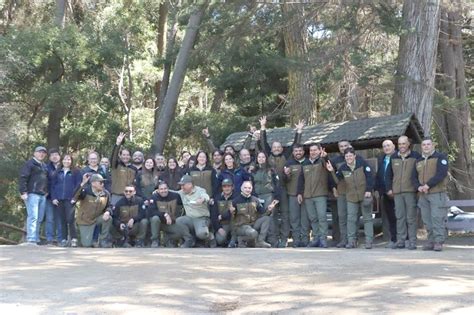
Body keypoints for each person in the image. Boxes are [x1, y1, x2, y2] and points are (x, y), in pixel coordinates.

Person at [259, 116, 304, 248]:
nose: (277, 149)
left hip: (284, 189)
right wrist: (263, 127)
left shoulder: (286, 156)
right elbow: (263, 142)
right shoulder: (268, 156)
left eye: (279, 147)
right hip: (271, 191)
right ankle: (273, 239)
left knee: (285, 215)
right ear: (271, 149)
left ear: (282, 149)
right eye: (274, 147)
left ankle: (284, 238)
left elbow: (295, 145)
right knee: (272, 214)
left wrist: (299, 131)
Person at [327, 148, 375, 249]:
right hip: (351, 196)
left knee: (367, 218)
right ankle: (351, 241)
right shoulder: (343, 168)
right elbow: (337, 181)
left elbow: (370, 177)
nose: (349, 158)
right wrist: (331, 171)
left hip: (364, 194)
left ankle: (369, 241)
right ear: (345, 158)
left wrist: (369, 190)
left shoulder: (362, 164)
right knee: (351, 219)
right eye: (346, 156)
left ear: (354, 156)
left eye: (350, 156)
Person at [412, 138, 449, 252]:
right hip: (423, 194)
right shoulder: (418, 160)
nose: (426, 146)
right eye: (424, 145)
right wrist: (418, 186)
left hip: (437, 193)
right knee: (427, 219)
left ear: (433, 145)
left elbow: (441, 174)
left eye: (428, 144)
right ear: (421, 147)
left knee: (437, 218)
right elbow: (413, 177)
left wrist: (428, 185)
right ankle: (431, 240)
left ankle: (438, 241)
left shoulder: (440, 157)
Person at [386, 136, 421, 250]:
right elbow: (388, 175)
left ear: (408, 144)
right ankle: (401, 240)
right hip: (397, 192)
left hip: (410, 191)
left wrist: (417, 188)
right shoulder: (393, 157)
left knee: (411, 218)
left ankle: (412, 241)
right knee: (400, 217)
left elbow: (419, 174)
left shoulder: (416, 156)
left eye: (404, 144)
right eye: (400, 144)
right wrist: (389, 188)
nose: (401, 146)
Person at [297, 144, 331, 248]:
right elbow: (301, 180)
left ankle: (323, 239)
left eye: (315, 150)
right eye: (311, 150)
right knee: (313, 218)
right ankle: (316, 238)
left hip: (320, 194)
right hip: (308, 196)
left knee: (322, 217)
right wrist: (299, 193)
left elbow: (330, 167)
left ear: (319, 150)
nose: (313, 152)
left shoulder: (322, 161)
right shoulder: (305, 163)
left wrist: (325, 157)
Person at [71, 174, 113, 248]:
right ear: (93, 183)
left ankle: (103, 240)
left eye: (103, 182)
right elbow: (75, 196)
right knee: (86, 245)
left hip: (97, 219)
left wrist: (108, 211)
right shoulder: (85, 191)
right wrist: (83, 183)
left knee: (108, 218)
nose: (102, 184)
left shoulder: (106, 193)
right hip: (85, 221)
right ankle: (77, 238)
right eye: (100, 182)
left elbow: (110, 205)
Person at [19, 146, 49, 245]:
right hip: (32, 194)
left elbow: (46, 180)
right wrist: (23, 192)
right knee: (33, 217)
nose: (41, 154)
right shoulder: (29, 164)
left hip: (42, 195)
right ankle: (31, 239)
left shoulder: (44, 166)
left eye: (43, 153)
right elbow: (23, 178)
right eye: (39, 152)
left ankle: (35, 238)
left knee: (40, 218)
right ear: (34, 153)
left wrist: (46, 191)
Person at [148, 181, 193, 248]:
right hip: (158, 223)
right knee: (155, 218)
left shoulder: (176, 196)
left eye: (165, 188)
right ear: (158, 190)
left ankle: (168, 239)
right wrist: (165, 215)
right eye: (161, 189)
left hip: (171, 222)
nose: (163, 191)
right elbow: (151, 212)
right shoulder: (153, 197)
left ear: (168, 188)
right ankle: (155, 240)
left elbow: (180, 210)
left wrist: (173, 219)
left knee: (182, 229)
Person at [175, 175, 216, 247]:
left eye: (183, 185)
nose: (181, 187)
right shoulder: (182, 192)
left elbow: (205, 196)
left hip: (201, 218)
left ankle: (210, 236)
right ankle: (189, 240)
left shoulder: (200, 190)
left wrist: (202, 199)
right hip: (189, 218)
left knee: (202, 234)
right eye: (181, 185)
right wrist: (159, 190)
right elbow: (173, 193)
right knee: (178, 221)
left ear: (190, 184)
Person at [231, 181, 274, 248]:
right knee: (254, 233)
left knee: (266, 218)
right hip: (241, 227)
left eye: (249, 188)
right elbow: (231, 217)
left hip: (253, 224)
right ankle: (241, 239)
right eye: (245, 188)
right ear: (241, 189)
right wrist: (231, 212)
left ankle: (260, 241)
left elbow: (263, 213)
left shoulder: (255, 200)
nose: (247, 190)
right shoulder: (235, 201)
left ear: (252, 189)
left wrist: (269, 209)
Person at [51, 154, 81, 247]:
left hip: (70, 199)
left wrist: (75, 198)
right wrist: (54, 198)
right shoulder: (57, 172)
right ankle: (63, 239)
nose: (66, 161)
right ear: (62, 161)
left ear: (71, 161)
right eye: (65, 159)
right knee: (62, 219)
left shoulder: (76, 172)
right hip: (59, 199)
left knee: (70, 219)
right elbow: (52, 186)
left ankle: (74, 238)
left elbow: (79, 186)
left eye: (69, 159)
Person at [252, 151, 281, 247]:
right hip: (257, 197)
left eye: (263, 157)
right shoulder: (254, 170)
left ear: (266, 158)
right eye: (259, 157)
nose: (261, 159)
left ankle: (273, 240)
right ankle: (261, 240)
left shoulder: (271, 170)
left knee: (270, 217)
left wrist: (276, 197)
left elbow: (277, 184)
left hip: (268, 195)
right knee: (260, 217)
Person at [284, 144, 310, 247]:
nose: (298, 152)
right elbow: (284, 180)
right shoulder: (289, 163)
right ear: (293, 152)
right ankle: (296, 240)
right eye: (296, 151)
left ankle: (305, 240)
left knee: (305, 219)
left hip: (306, 195)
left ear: (303, 152)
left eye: (300, 150)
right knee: (294, 219)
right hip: (292, 195)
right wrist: (286, 174)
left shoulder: (308, 162)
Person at [375, 140, 398, 248]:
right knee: (391, 218)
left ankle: (404, 239)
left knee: (401, 217)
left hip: (397, 192)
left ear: (394, 146)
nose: (386, 148)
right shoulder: (382, 159)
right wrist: (378, 190)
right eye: (384, 146)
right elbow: (379, 175)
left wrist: (392, 189)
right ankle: (393, 239)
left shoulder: (398, 156)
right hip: (385, 193)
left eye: (388, 145)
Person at [330, 140, 352, 248]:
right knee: (341, 217)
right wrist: (333, 188)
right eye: (341, 146)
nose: (343, 148)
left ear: (349, 146)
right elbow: (331, 176)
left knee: (352, 217)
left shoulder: (357, 159)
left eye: (345, 146)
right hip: (341, 192)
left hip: (353, 193)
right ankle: (343, 239)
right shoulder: (335, 161)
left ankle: (352, 239)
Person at [110, 132, 136, 206]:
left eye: (127, 155)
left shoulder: (133, 169)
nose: (125, 156)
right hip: (117, 195)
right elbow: (113, 157)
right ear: (120, 156)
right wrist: (117, 144)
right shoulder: (116, 165)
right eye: (123, 155)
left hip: (129, 196)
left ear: (130, 156)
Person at [211, 178, 236, 247]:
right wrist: (218, 228)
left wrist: (222, 216)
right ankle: (227, 241)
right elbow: (213, 215)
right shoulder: (217, 198)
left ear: (232, 187)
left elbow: (234, 212)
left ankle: (234, 241)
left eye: (229, 186)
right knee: (220, 240)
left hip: (234, 224)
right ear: (222, 188)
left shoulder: (236, 197)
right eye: (224, 186)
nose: (227, 188)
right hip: (223, 224)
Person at [45, 148, 62, 245]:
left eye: (56, 154)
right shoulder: (46, 167)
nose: (54, 156)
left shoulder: (64, 167)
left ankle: (60, 239)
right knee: (50, 219)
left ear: (60, 156)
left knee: (60, 219)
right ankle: (49, 239)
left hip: (60, 198)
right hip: (49, 197)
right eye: (52, 155)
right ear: (50, 157)